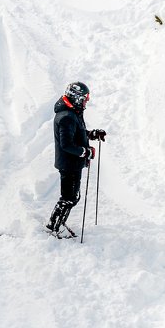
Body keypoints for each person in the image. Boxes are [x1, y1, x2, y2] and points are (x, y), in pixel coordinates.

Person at [46, 81, 107, 236]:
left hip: (72, 163)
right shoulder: (67, 116)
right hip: (69, 163)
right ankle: (54, 227)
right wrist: (85, 152)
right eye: (85, 98)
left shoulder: (72, 112)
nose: (87, 101)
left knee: (73, 197)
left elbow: (77, 133)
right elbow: (66, 144)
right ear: (77, 97)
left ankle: (57, 224)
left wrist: (91, 134)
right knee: (68, 197)